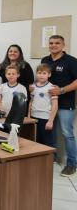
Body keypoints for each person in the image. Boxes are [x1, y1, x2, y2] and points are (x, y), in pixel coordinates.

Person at [41, 35, 77, 177]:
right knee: (49, 131)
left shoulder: (71, 61)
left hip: (65, 103)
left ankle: (72, 164)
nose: (53, 45)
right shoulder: (45, 60)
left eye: (57, 43)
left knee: (67, 134)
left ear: (63, 45)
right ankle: (52, 158)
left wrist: (62, 90)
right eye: (51, 43)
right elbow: (42, 77)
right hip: (47, 104)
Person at [29, 64, 58, 148]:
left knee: (48, 142)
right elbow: (31, 101)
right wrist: (29, 116)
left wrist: (50, 121)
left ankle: (51, 161)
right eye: (39, 73)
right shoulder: (33, 87)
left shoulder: (52, 87)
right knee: (36, 141)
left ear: (49, 74)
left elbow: (55, 105)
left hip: (46, 118)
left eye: (44, 73)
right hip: (34, 117)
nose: (41, 75)